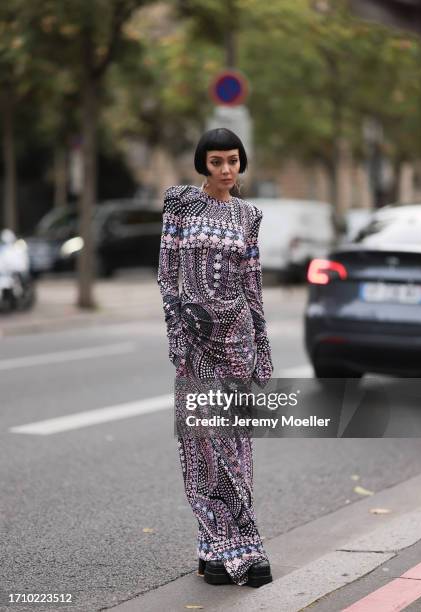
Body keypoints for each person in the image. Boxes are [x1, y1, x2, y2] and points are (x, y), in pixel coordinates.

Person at [157, 128, 274, 587]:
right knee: (202, 442)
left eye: (232, 161)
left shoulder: (250, 215)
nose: (226, 170)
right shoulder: (180, 204)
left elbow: (253, 284)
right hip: (195, 342)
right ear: (202, 164)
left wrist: (262, 346)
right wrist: (177, 334)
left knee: (234, 446)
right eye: (216, 162)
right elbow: (167, 276)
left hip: (237, 341)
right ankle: (235, 547)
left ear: (241, 163)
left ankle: (217, 551)